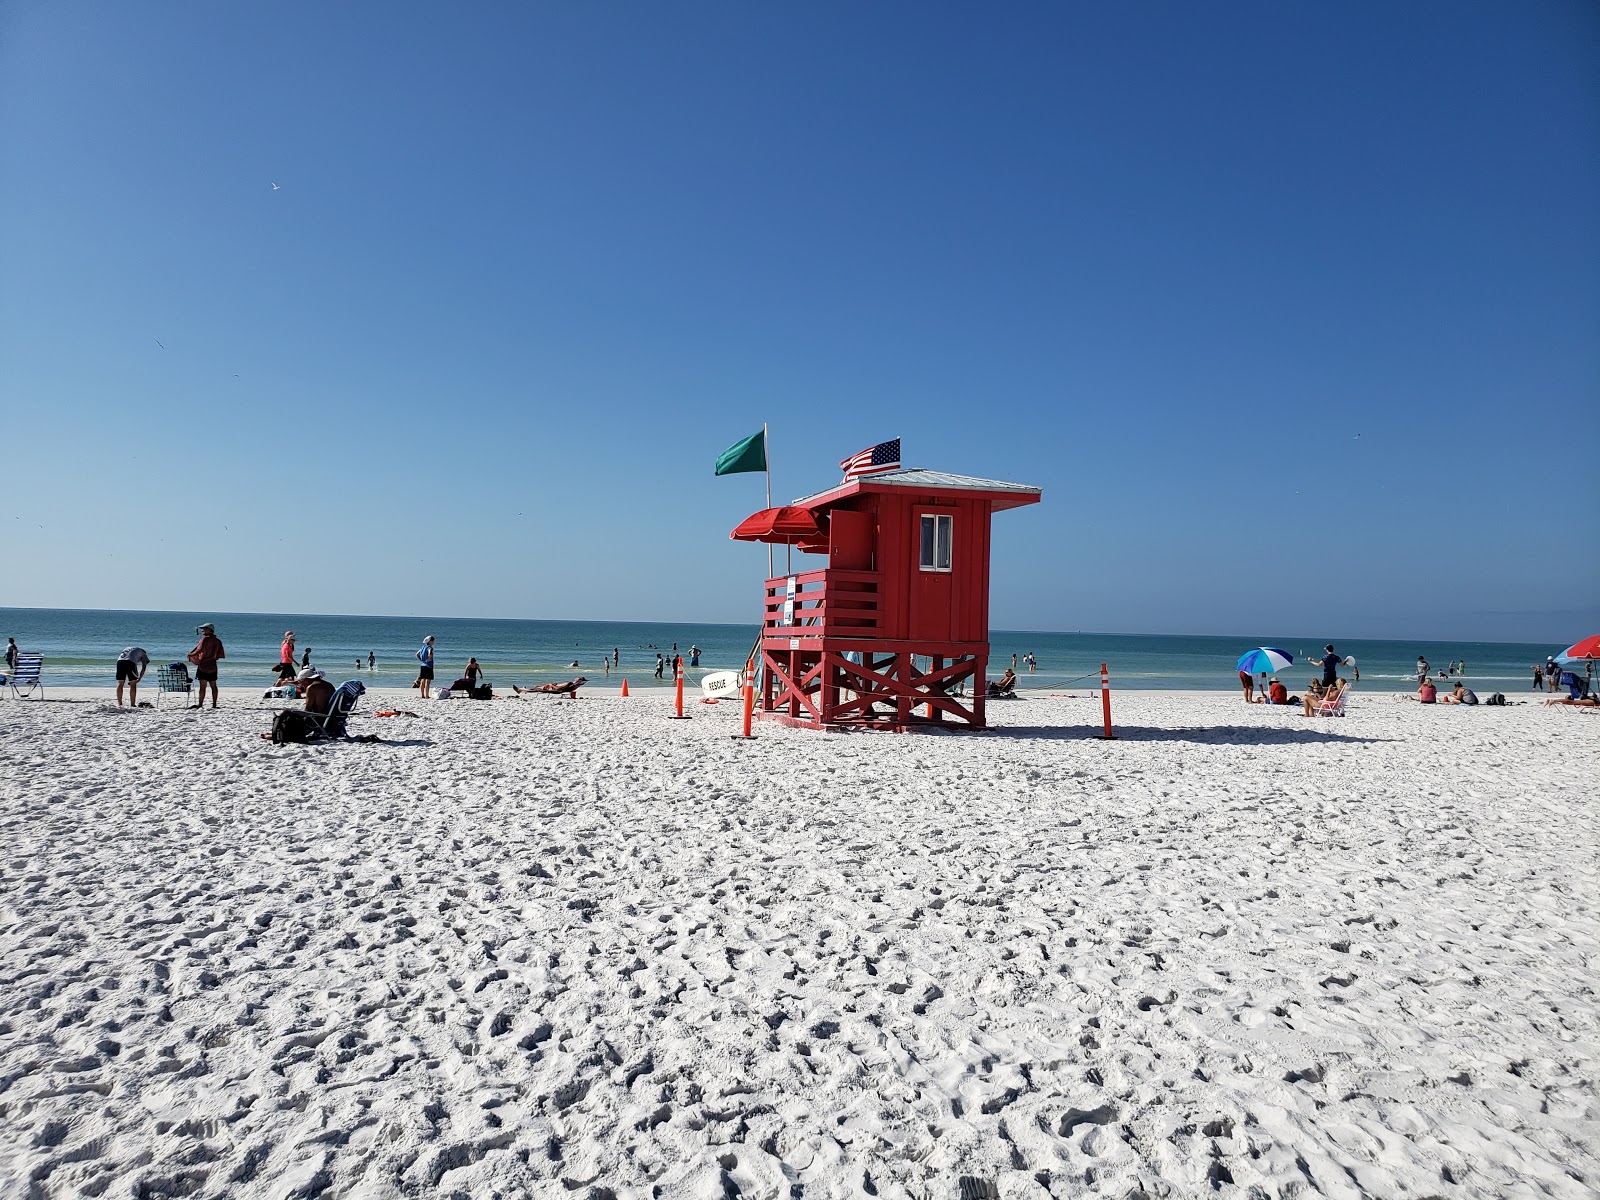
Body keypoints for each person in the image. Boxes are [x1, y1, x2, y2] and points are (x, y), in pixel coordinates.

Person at [188, 623, 225, 708]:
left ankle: (200, 704)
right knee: (213, 685)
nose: (202, 630)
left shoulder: (204, 639)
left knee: (203, 686)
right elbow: (220, 654)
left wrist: (190, 654)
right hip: (213, 665)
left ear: (209, 630)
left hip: (203, 665)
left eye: (204, 629)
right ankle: (214, 704)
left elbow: (199, 650)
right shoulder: (218, 641)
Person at [514, 676, 587, 699]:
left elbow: (558, 689)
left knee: (536, 688)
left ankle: (521, 690)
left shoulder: (569, 683)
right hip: (555, 690)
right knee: (537, 688)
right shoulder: (574, 686)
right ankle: (522, 689)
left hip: (554, 690)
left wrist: (551, 685)